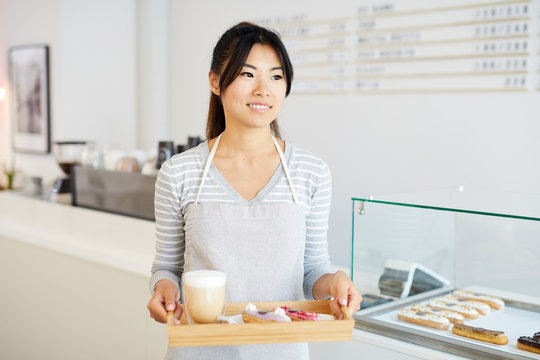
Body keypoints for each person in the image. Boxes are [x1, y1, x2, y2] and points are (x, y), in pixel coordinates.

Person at [147, 21, 361, 360]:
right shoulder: (179, 172)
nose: (264, 89)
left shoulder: (312, 172)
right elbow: (167, 269)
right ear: (215, 82)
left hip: (282, 351)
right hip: (200, 352)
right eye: (248, 75)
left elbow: (312, 271)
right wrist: (164, 290)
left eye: (276, 77)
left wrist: (334, 282)